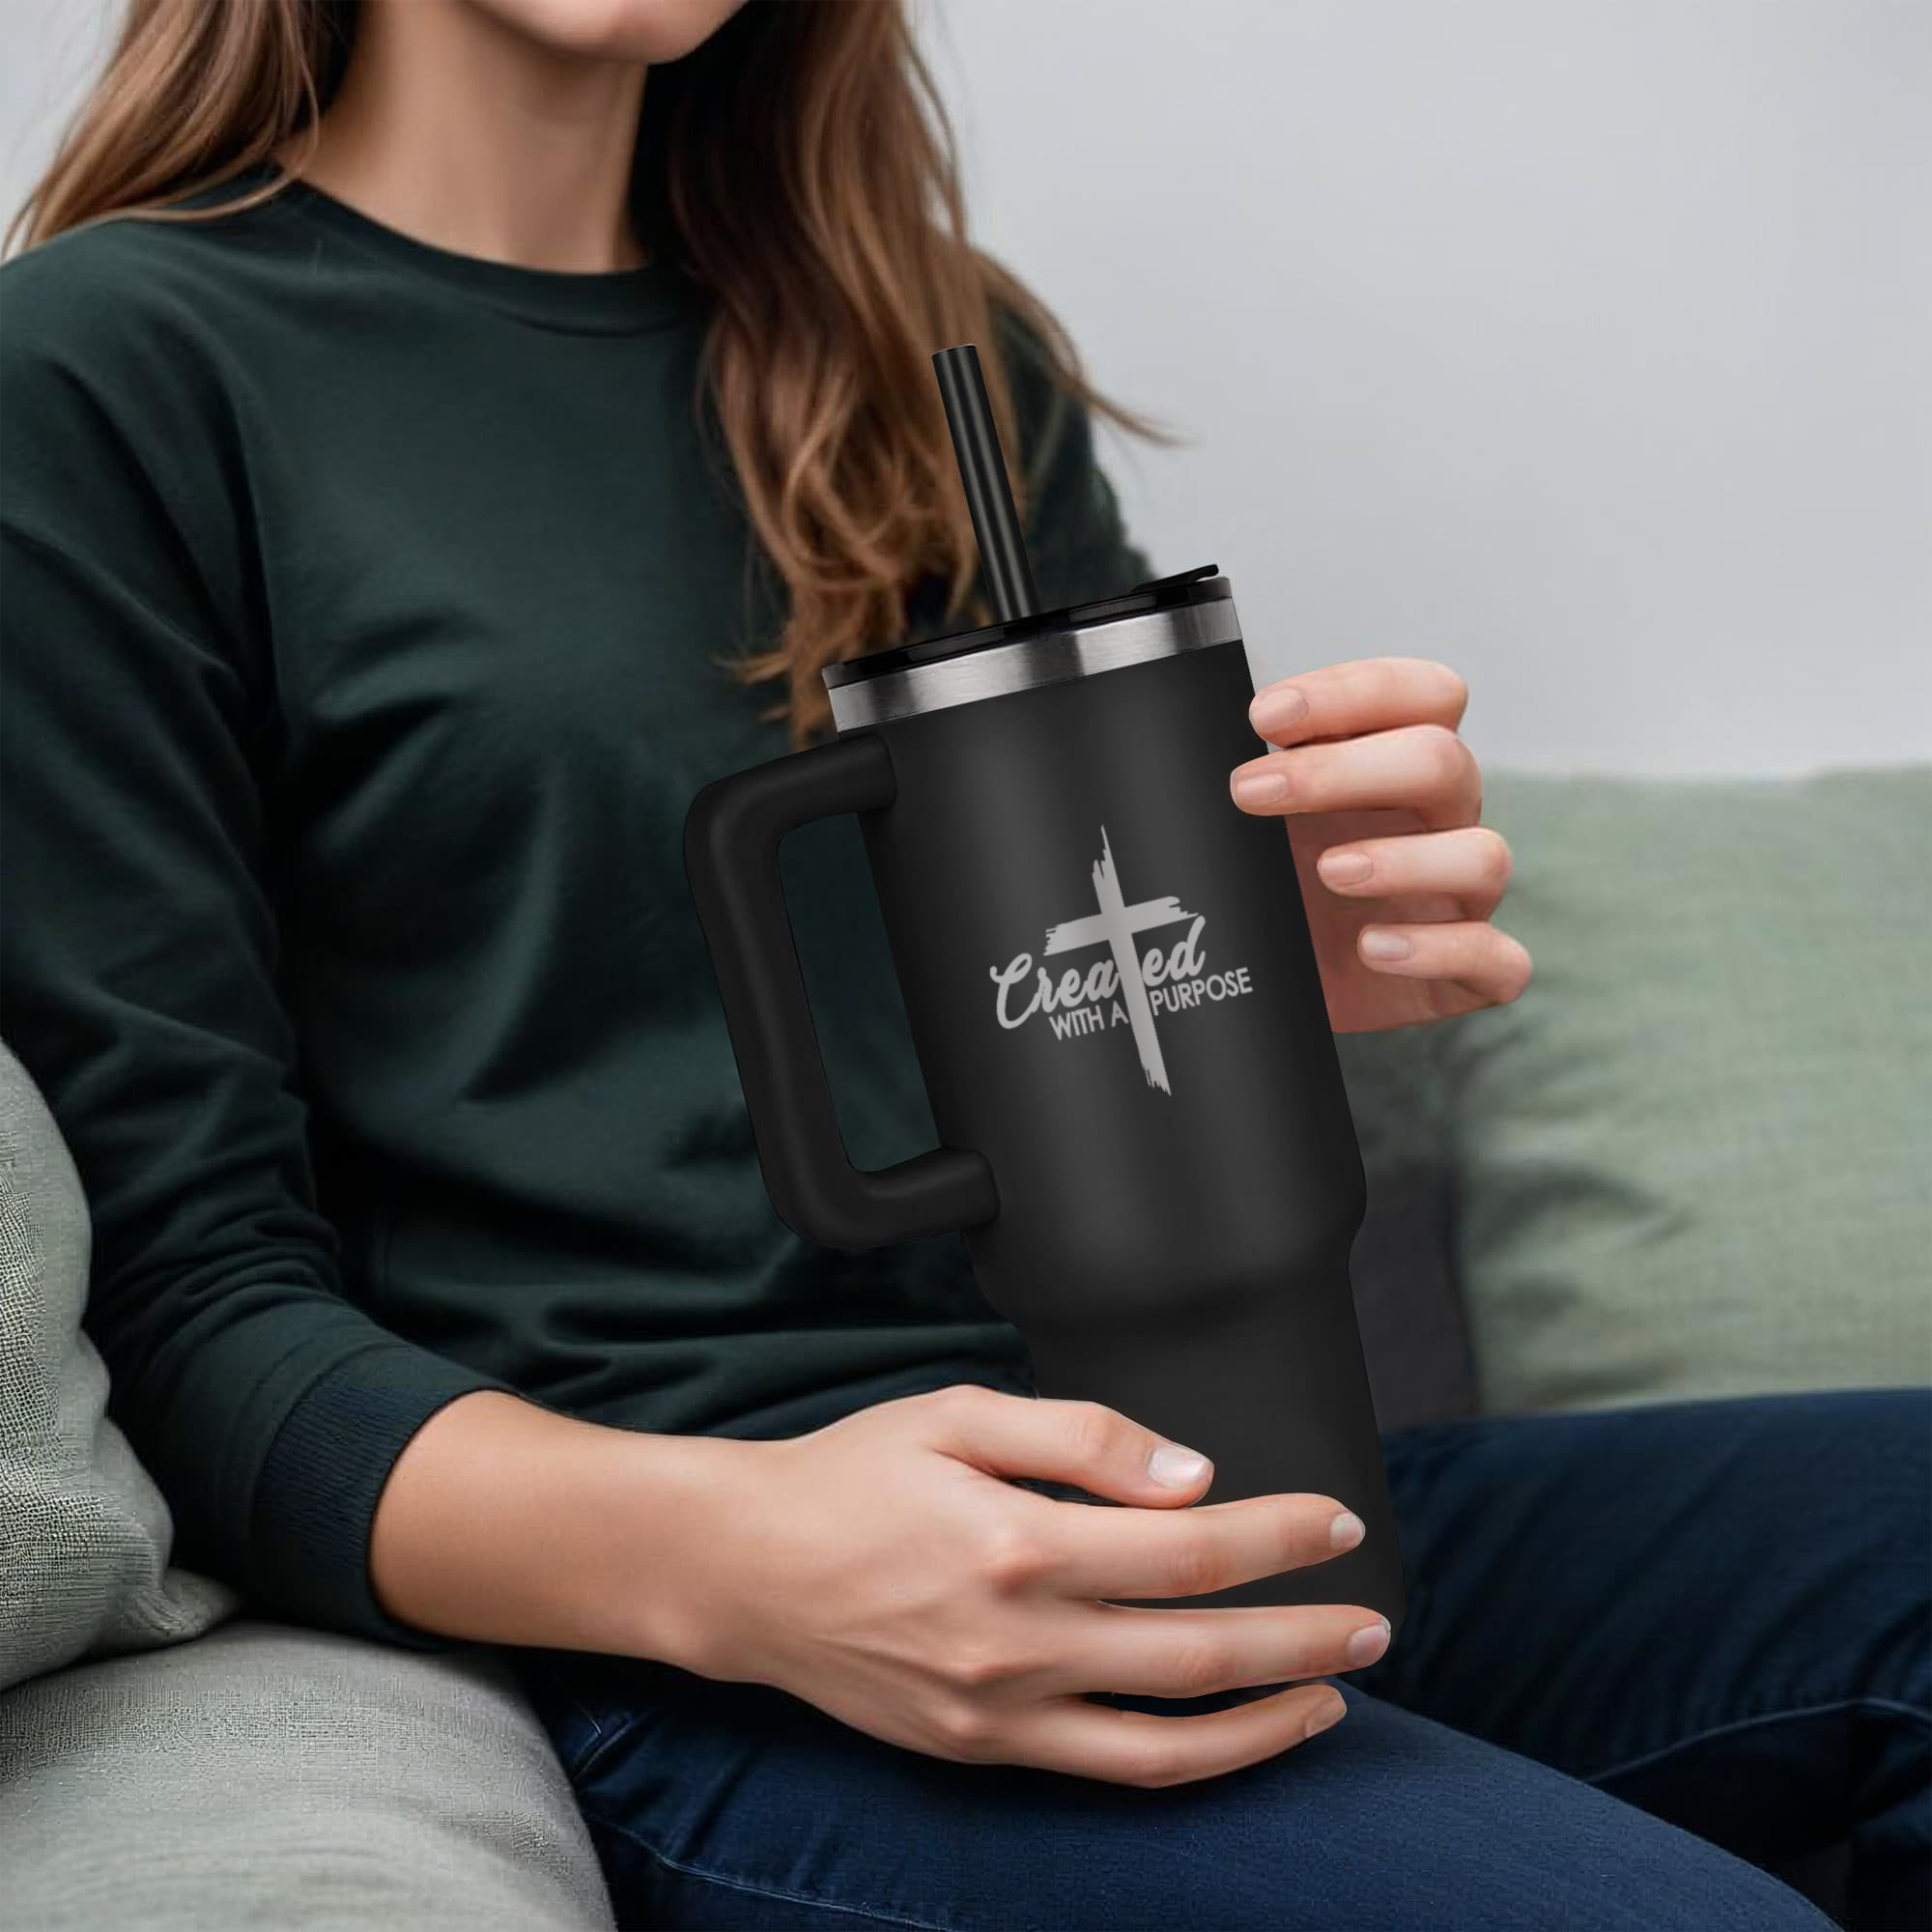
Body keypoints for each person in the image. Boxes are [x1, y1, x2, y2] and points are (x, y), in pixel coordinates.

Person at [1, 2, 1920, 1926]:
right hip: (707, 1645)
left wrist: (1265, 965)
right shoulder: (105, 375)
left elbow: (1063, 1036)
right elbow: (184, 1312)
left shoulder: (932, 351)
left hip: (1160, 1491)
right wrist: (747, 1561)